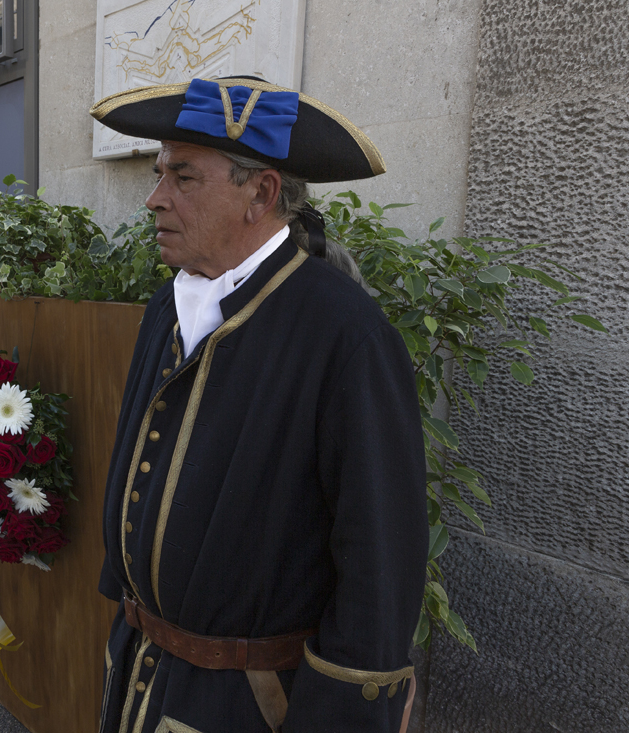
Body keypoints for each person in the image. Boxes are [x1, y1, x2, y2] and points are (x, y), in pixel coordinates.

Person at [90, 77, 428, 732]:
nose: (155, 198)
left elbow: (378, 564)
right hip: (140, 674)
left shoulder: (346, 334)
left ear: (262, 193)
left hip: (248, 705)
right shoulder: (170, 304)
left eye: (183, 177)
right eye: (160, 172)